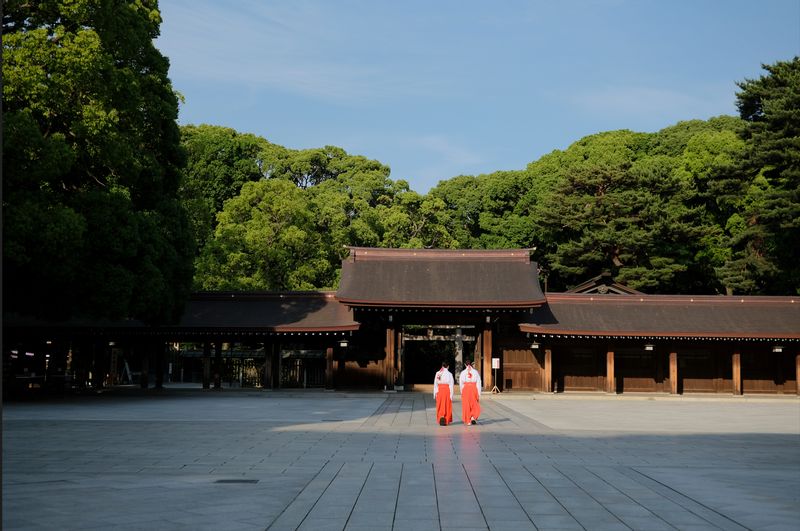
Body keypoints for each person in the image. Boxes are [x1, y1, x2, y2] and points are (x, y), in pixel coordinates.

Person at [459, 359, 482, 425]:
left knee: (466, 405)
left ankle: (468, 421)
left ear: (465, 364)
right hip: (473, 388)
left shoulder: (463, 372)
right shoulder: (475, 372)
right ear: (471, 364)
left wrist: (462, 392)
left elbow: (461, 383)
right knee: (474, 404)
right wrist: (479, 392)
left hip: (466, 388)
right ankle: (473, 417)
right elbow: (479, 382)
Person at [433, 361, 454, 426]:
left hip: (439, 390)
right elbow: (451, 385)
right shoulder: (449, 374)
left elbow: (435, 384)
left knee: (440, 404)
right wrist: (451, 395)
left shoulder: (438, 373)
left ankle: (441, 417)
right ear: (448, 366)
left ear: (442, 366)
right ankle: (446, 419)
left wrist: (435, 393)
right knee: (447, 404)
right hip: (447, 390)